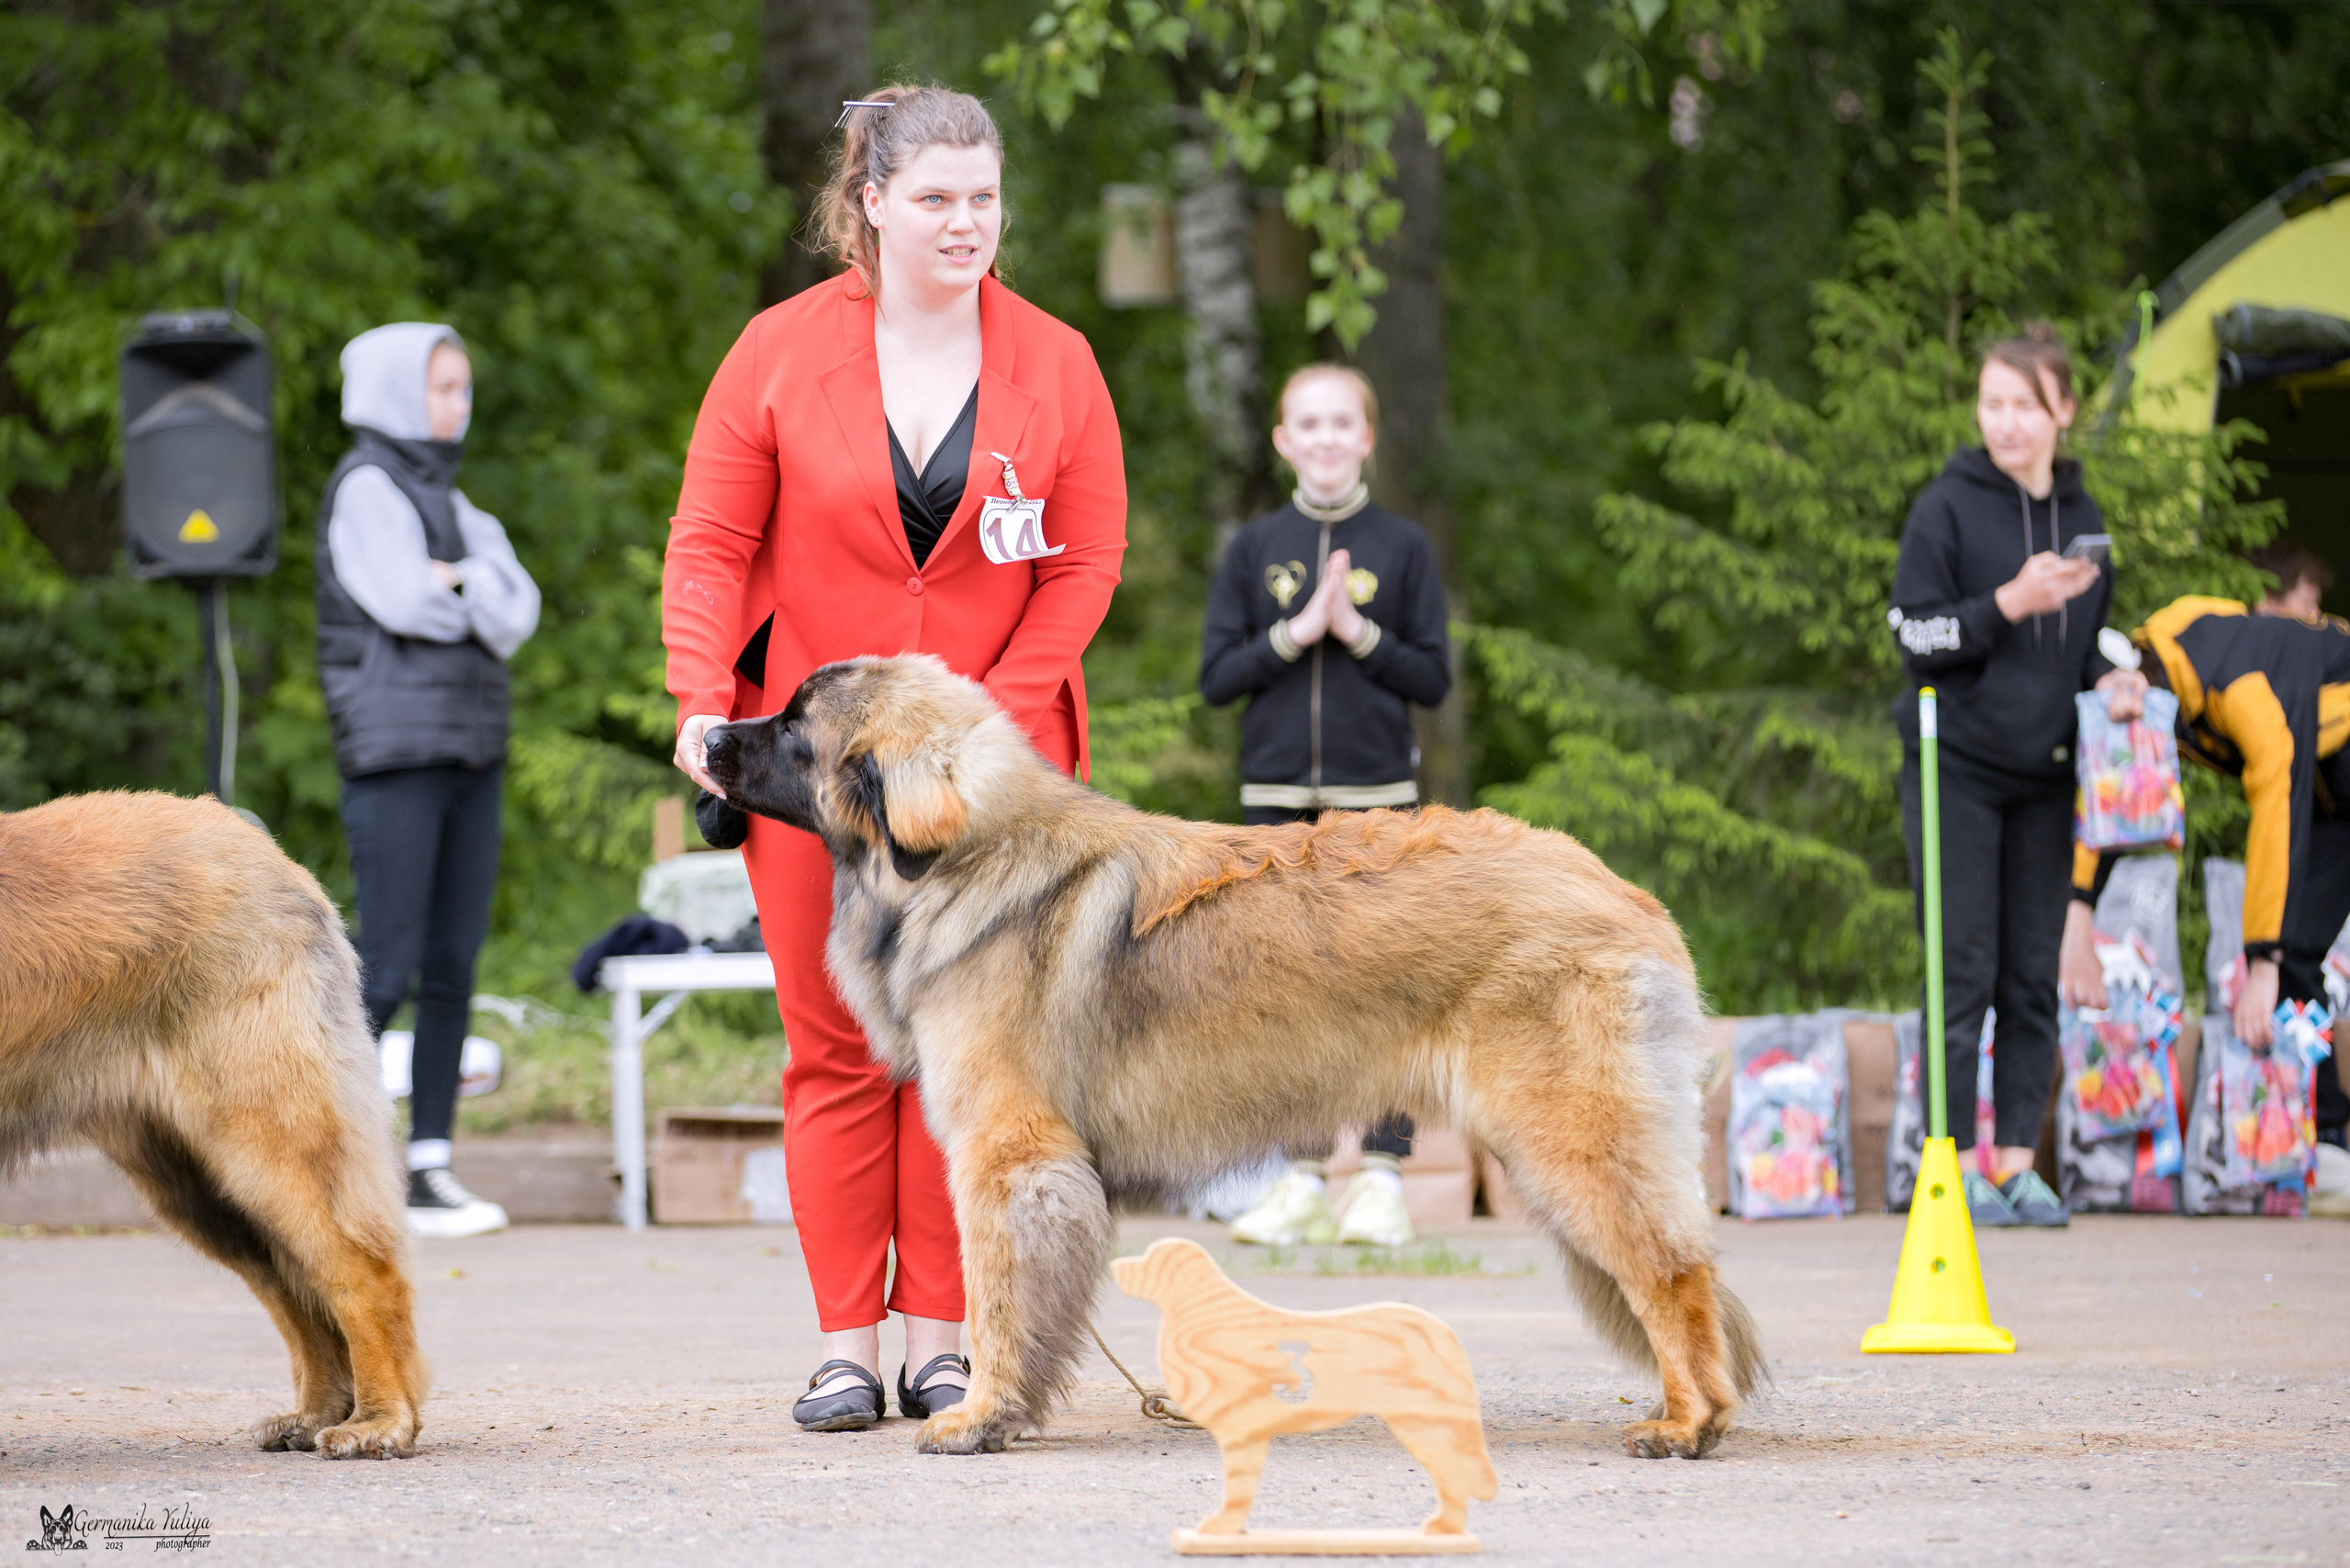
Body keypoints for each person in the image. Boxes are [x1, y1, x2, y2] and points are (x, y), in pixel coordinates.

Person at [662, 86, 1127, 1432]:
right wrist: (703, 697)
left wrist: (1001, 705)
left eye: (984, 198)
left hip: (987, 773)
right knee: (836, 1048)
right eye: (936, 199)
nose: (966, 223)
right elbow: (706, 545)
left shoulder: (1057, 359)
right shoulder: (774, 352)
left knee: (971, 1052)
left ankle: (945, 1337)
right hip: (816, 771)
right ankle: (843, 1346)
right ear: (869, 202)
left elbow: (1086, 557)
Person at [1886, 324, 2140, 1230]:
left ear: (2061, 411)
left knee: (2031, 972)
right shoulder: (1946, 510)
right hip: (1953, 765)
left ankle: (2016, 1167)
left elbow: (2079, 653)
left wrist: (2111, 682)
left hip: (2048, 775)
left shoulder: (2086, 521)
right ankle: (1945, 1168)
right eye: (1991, 403)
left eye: (2023, 406)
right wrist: (2006, 603)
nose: (2005, 424)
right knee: (1962, 969)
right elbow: (1910, 634)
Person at [1198, 364, 1451, 1249]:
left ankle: (1381, 1180)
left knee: (1390, 989)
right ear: (1283, 440)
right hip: (1274, 806)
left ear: (1367, 436)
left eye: (1343, 422)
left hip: (1377, 803)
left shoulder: (1405, 548)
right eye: (1309, 424)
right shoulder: (1253, 548)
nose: (1327, 438)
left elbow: (1432, 676)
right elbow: (1217, 678)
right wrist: (1296, 632)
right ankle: (1300, 1178)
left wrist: (1358, 633)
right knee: (1285, 996)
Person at [317, 323, 542, 1238]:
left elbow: (514, 611)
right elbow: (404, 600)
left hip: (470, 749)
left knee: (452, 967)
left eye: (463, 388)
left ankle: (427, 1167)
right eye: (443, 388)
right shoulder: (365, 486)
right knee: (388, 961)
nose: (459, 405)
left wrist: (459, 582)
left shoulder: (455, 501)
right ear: (394, 391)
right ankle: (336, 1157)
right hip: (397, 753)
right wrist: (464, 587)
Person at [2062, 540, 2350, 1165]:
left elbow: (2282, 809)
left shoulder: (2244, 693)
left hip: (2324, 791)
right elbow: (2120, 797)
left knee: (2288, 954)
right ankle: (2322, 1142)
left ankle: (2327, 1135)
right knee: (2299, 951)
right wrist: (2077, 914)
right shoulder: (2159, 645)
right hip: (2336, 801)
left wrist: (2262, 962)